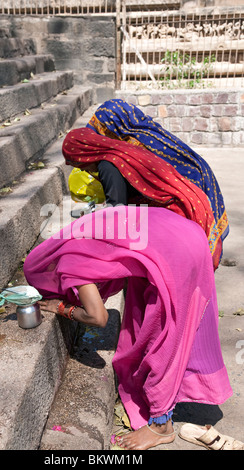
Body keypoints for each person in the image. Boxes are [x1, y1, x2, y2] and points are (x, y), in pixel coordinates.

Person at [23, 205, 233, 450]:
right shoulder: (74, 235)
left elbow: (98, 317)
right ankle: (172, 391)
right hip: (181, 232)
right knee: (156, 319)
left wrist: (61, 308)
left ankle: (161, 425)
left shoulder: (69, 264)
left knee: (166, 339)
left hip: (176, 255)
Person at [86, 98, 229, 260]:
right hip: (198, 203)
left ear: (111, 130)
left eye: (101, 131)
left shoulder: (120, 157)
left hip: (182, 209)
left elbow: (118, 210)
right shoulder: (151, 135)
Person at [62, 127, 222, 270]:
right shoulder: (118, 150)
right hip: (188, 198)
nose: (84, 169)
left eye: (79, 165)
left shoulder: (107, 166)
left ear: (85, 156)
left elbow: (117, 213)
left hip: (176, 210)